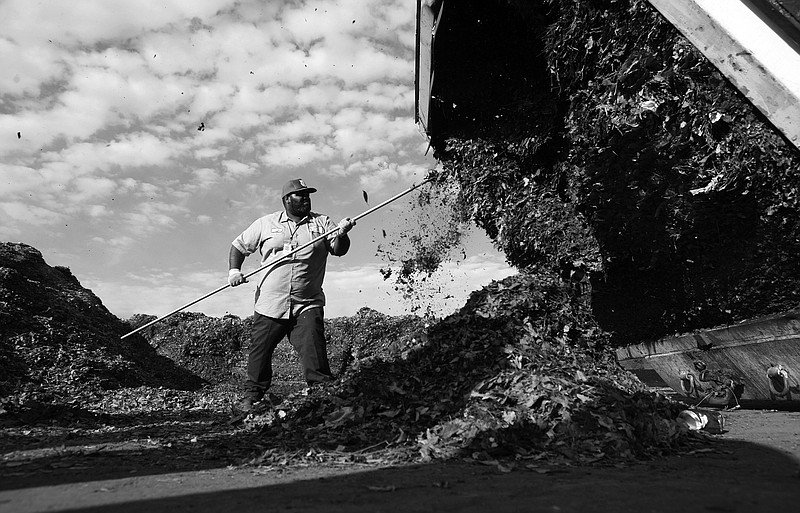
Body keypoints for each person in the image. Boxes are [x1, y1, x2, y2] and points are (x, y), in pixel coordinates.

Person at [228, 178, 355, 411]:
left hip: (307, 302)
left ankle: (323, 395)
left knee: (314, 349)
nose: (306, 198)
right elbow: (239, 246)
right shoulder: (266, 224)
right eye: (300, 195)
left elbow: (338, 249)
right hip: (270, 303)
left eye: (308, 195)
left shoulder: (322, 222)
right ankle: (253, 396)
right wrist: (234, 271)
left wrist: (343, 233)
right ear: (287, 199)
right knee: (260, 350)